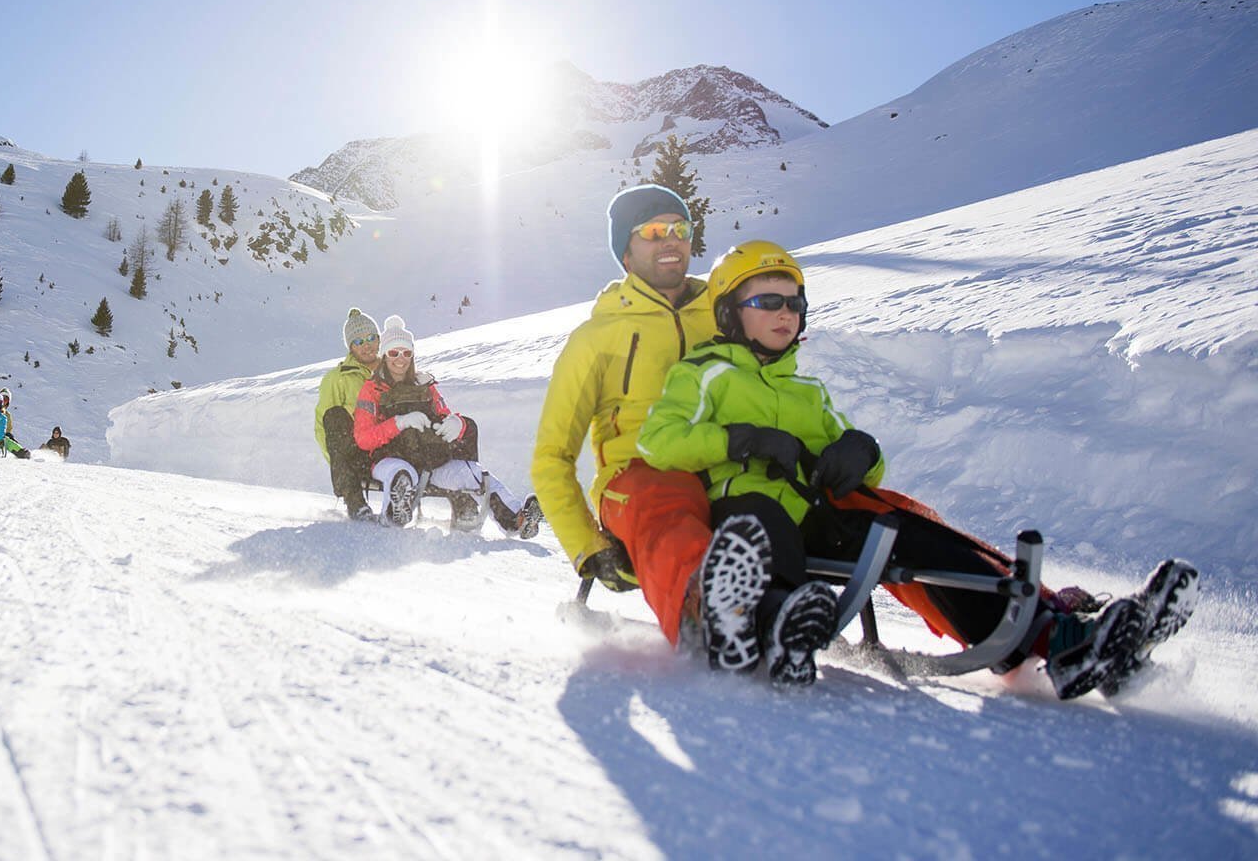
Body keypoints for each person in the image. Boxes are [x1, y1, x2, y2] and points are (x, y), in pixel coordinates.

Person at [637, 240, 1197, 695]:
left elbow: (868, 471)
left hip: (816, 516)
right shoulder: (704, 372)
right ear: (730, 312)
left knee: (906, 534)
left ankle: (1061, 637)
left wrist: (861, 452)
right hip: (742, 513)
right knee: (761, 517)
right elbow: (660, 442)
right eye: (766, 301)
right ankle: (775, 617)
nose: (785, 313)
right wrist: (741, 440)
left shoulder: (808, 388)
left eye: (794, 303)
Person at [531, 184, 724, 656]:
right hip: (635, 483)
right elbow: (552, 456)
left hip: (723, 469)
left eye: (680, 229)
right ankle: (715, 618)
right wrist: (586, 546)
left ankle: (936, 588)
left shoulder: (722, 315)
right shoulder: (597, 338)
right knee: (666, 500)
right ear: (626, 252)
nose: (671, 240)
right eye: (654, 231)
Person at [352, 315, 539, 534]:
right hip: (389, 459)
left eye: (406, 353)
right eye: (394, 353)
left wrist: (456, 424)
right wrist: (399, 423)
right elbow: (363, 438)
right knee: (401, 474)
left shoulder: (425, 385)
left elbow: (445, 414)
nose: (400, 359)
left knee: (474, 473)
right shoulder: (371, 390)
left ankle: (516, 520)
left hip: (430, 461)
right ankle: (396, 512)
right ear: (384, 355)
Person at [317, 308, 383, 521]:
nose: (367, 345)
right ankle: (355, 502)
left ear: (379, 339)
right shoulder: (337, 378)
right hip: (357, 454)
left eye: (371, 338)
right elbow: (324, 425)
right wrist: (339, 464)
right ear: (350, 346)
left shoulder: (394, 369)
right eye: (359, 341)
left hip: (389, 446)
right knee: (335, 415)